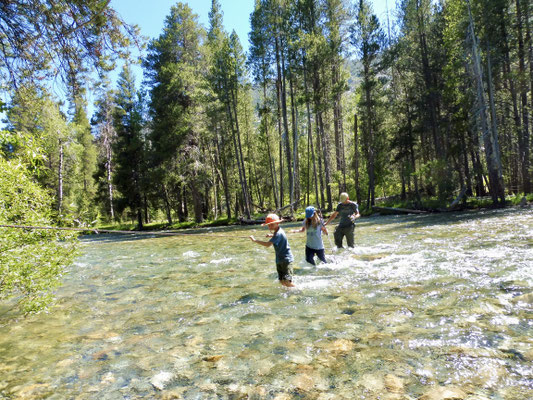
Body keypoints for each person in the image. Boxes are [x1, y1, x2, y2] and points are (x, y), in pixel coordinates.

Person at [250, 213, 295, 287]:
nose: (269, 226)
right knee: (281, 281)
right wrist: (271, 235)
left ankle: (298, 291)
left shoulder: (278, 234)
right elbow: (278, 236)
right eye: (268, 225)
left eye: (271, 224)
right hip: (280, 260)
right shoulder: (278, 231)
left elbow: (268, 244)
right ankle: (287, 294)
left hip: (286, 260)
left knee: (287, 282)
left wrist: (255, 240)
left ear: (277, 223)